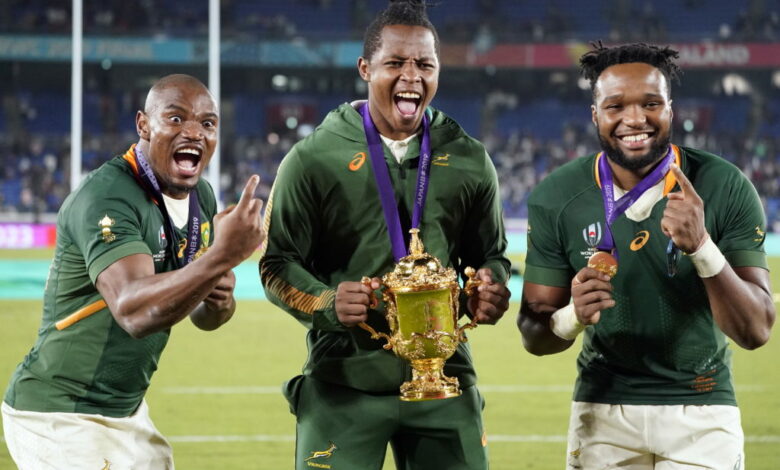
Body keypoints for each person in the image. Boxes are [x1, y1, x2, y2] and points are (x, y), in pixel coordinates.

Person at [259, 1, 511, 469]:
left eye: (424, 65)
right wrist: (327, 302)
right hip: (343, 383)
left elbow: (490, 255)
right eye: (395, 63)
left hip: (445, 380)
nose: (411, 76)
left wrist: (489, 288)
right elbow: (276, 265)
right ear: (365, 68)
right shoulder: (312, 158)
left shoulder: (470, 158)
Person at [518, 42, 776, 470]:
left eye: (651, 103)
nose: (635, 119)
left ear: (670, 110)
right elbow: (533, 333)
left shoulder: (724, 185)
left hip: (703, 409)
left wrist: (702, 247)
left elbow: (756, 330)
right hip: (602, 413)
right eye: (616, 106)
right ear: (595, 115)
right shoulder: (556, 196)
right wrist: (573, 316)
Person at [2, 74, 265, 469]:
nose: (194, 132)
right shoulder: (107, 196)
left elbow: (204, 316)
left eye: (207, 123)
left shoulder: (202, 197)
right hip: (60, 414)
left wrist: (218, 295)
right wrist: (220, 258)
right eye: (175, 119)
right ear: (143, 125)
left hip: (126, 411)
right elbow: (134, 312)